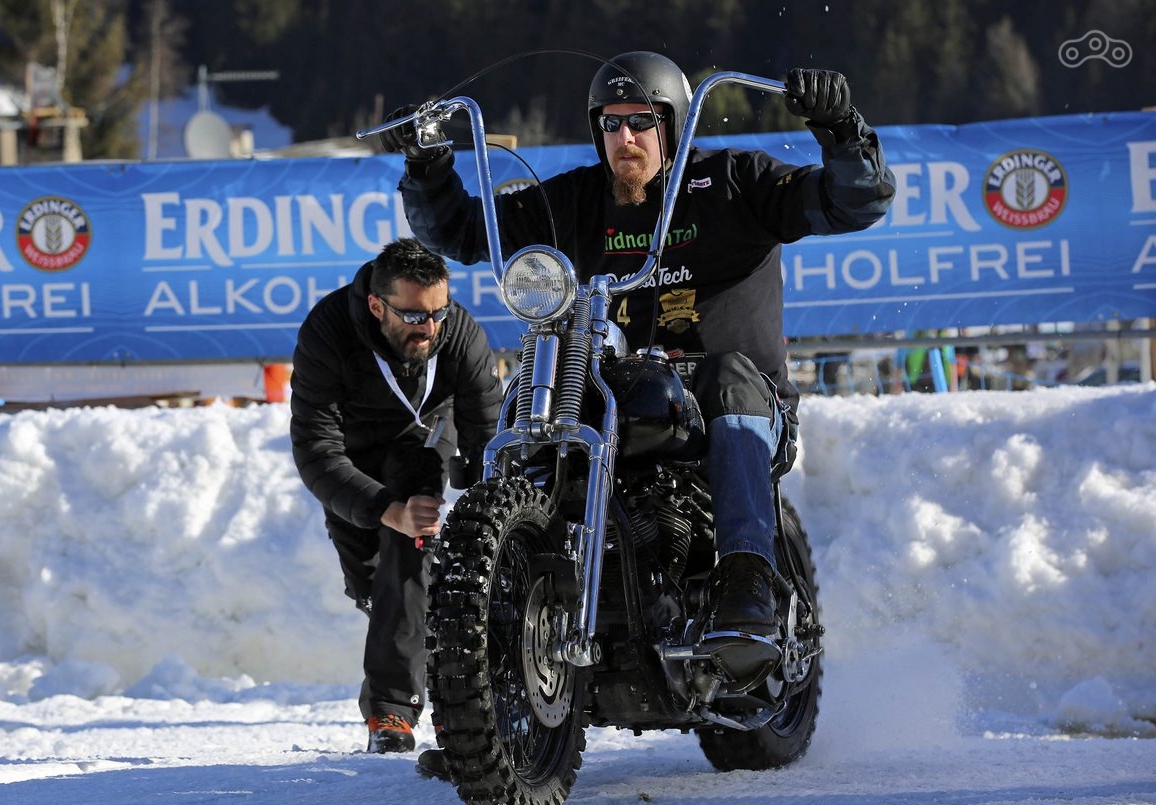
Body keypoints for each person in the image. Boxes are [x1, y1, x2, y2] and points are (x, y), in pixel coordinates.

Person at [382, 54, 894, 645]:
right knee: (533, 396)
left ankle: (747, 577)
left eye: (642, 121)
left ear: (672, 124)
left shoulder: (737, 182)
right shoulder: (572, 202)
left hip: (732, 407)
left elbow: (855, 202)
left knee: (728, 373)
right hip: (617, 401)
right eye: (611, 123)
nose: (625, 137)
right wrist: (426, 163)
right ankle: (503, 598)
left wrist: (840, 128)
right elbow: (465, 231)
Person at [290, 237, 503, 757]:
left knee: (411, 543)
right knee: (377, 587)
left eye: (438, 313)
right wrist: (385, 511)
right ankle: (412, 635)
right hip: (352, 458)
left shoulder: (458, 334)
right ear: (376, 306)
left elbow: (488, 433)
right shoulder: (327, 332)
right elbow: (316, 452)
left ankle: (392, 711)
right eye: (412, 317)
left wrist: (491, 515)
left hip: (422, 442)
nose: (429, 328)